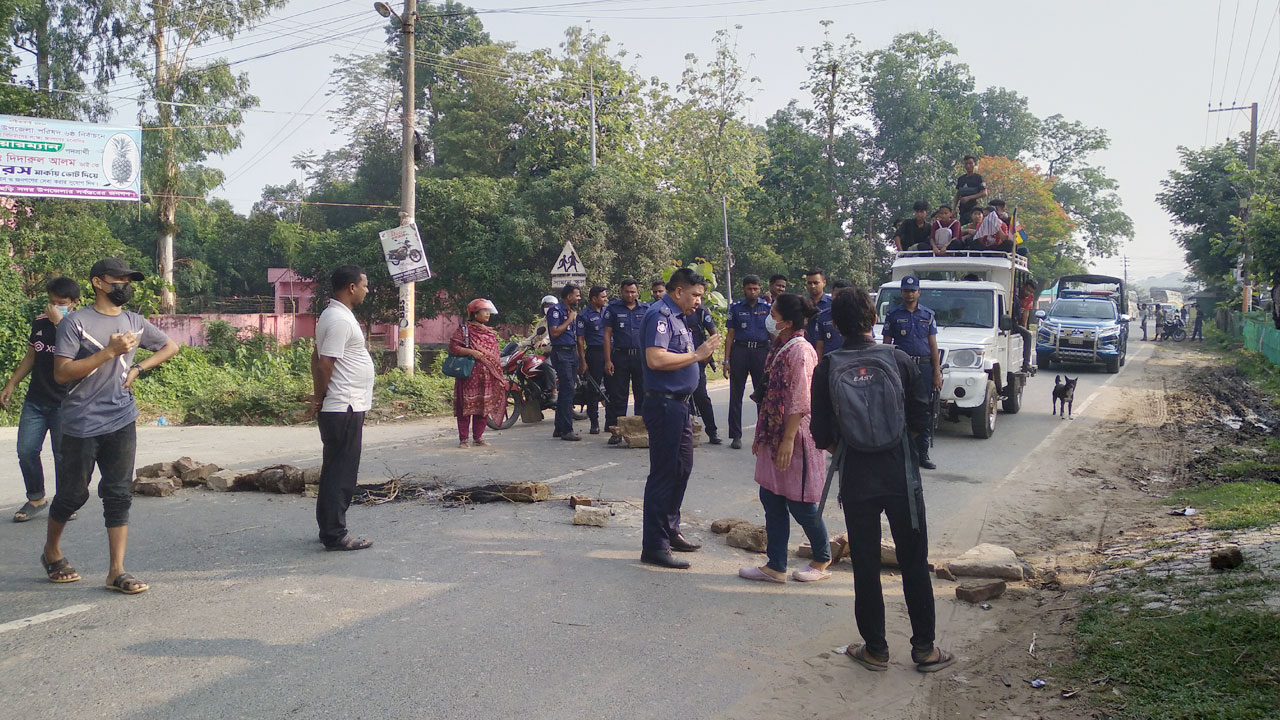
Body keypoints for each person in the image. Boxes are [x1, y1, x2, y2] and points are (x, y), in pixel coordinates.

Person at [811, 288, 954, 674]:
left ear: (835, 324)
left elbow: (819, 432)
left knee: (865, 564)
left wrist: (850, 445)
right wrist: (898, 443)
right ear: (874, 319)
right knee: (914, 561)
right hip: (901, 475)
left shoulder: (827, 367)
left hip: (857, 478)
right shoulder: (900, 359)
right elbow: (922, 416)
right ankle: (925, 650)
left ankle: (875, 650)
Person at [42, 258, 180, 592]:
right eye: (118, 279)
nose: (125, 285)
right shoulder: (74, 323)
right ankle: (51, 551)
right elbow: (61, 373)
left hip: (121, 418)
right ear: (98, 282)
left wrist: (138, 369)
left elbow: (170, 346)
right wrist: (109, 352)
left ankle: (116, 572)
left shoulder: (134, 321)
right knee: (73, 494)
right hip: (81, 422)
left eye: (128, 280)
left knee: (118, 493)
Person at [738, 293, 831, 584]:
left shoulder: (800, 351)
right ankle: (775, 565)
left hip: (795, 436)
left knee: (801, 504)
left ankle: (822, 558)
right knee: (771, 497)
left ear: (787, 322)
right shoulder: (781, 345)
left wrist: (788, 440)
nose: (769, 318)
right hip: (775, 433)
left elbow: (801, 401)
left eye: (774, 315)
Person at [639, 268, 723, 569]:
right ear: (678, 292)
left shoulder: (680, 317)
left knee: (682, 468)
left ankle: (670, 529)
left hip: (680, 406)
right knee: (664, 474)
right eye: (695, 295)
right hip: (664, 404)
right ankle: (655, 545)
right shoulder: (660, 315)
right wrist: (697, 355)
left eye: (701, 296)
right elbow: (655, 358)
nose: (699, 301)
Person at [309, 265, 376, 551]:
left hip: (343, 404)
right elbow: (324, 363)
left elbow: (316, 357)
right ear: (351, 287)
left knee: (334, 468)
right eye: (364, 285)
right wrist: (319, 397)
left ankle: (328, 528)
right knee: (342, 472)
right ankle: (335, 534)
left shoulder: (334, 315)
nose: (366, 290)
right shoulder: (338, 319)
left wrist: (319, 397)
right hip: (343, 404)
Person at [2, 277, 79, 522]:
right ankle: (36, 497)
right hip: (36, 399)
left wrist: (60, 324)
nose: (54, 307)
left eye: (61, 303)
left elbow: (82, 356)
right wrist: (11, 384)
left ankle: (65, 502)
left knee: (62, 455)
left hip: (65, 402)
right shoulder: (40, 322)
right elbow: (31, 356)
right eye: (52, 302)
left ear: (74, 303)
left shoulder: (80, 325)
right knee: (26, 450)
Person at [883, 275, 941, 470]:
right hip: (900, 367)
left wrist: (936, 372)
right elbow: (886, 345)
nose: (910, 294)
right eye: (906, 291)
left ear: (919, 292)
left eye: (913, 290)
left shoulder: (928, 314)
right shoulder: (893, 315)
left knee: (923, 410)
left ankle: (922, 453)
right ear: (901, 292)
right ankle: (900, 452)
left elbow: (933, 346)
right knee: (899, 407)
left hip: (923, 367)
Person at [450, 299, 506, 448]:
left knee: (483, 407)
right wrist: (471, 352)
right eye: (484, 311)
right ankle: (463, 439)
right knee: (465, 408)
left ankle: (478, 437)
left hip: (486, 377)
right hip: (468, 376)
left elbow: (495, 355)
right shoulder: (464, 330)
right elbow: (454, 348)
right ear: (475, 314)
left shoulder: (490, 333)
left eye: (488, 311)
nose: (488, 314)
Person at [724, 275, 771, 450]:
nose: (752, 292)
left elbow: (773, 333)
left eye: (756, 289)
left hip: (761, 352)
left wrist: (774, 357)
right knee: (736, 395)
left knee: (762, 396)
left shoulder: (767, 308)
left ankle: (763, 435)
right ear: (744, 289)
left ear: (760, 289)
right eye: (749, 288)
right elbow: (730, 335)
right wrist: (726, 360)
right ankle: (736, 435)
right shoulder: (736, 308)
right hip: (740, 351)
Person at [603, 278, 648, 445]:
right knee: (619, 395)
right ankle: (617, 432)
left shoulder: (645, 309)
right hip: (620, 357)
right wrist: (608, 360)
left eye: (633, 292)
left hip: (640, 357)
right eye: (627, 292)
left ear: (637, 292)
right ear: (621, 291)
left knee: (641, 393)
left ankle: (640, 430)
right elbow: (607, 335)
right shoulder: (613, 309)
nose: (630, 295)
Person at [546, 283, 583, 441]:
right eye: (577, 295)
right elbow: (554, 332)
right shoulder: (556, 310)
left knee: (567, 391)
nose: (579, 298)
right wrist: (569, 319)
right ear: (568, 296)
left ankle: (559, 428)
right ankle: (567, 430)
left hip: (571, 351)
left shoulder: (571, 311)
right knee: (567, 390)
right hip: (561, 352)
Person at [687, 299, 721, 445]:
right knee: (682, 399)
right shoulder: (671, 312)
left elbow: (714, 335)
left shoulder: (701, 311)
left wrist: (706, 357)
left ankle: (712, 432)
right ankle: (686, 433)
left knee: (701, 396)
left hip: (697, 362)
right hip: (678, 361)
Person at [577, 286, 609, 435]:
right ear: (594, 299)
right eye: (603, 297)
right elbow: (580, 340)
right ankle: (594, 422)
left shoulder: (609, 311)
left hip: (611, 353)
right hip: (595, 353)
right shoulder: (584, 315)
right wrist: (583, 361)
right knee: (593, 390)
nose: (605, 299)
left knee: (612, 388)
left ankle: (610, 422)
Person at [813, 278, 853, 357]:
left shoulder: (859, 315)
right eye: (837, 295)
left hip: (852, 360)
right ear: (832, 295)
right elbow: (820, 346)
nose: (840, 298)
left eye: (844, 295)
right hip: (830, 361)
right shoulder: (823, 316)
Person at [954, 155, 988, 222]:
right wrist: (954, 208)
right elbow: (958, 194)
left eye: (970, 163)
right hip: (962, 210)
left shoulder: (978, 178)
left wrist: (969, 198)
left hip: (974, 210)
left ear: (974, 164)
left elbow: (984, 193)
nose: (968, 165)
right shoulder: (961, 179)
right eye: (966, 163)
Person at [804, 268, 831, 352]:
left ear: (824, 283)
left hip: (828, 349)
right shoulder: (801, 304)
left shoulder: (832, 304)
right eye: (809, 283)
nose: (812, 286)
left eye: (816, 283)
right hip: (807, 349)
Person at [1015, 280, 1036, 372]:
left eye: (1031, 292)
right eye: (1028, 290)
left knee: (1027, 334)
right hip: (1011, 321)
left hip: (1018, 321)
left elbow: (1026, 314)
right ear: (1023, 286)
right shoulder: (1015, 293)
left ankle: (1026, 363)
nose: (1029, 293)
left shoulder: (1030, 297)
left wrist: (1024, 328)